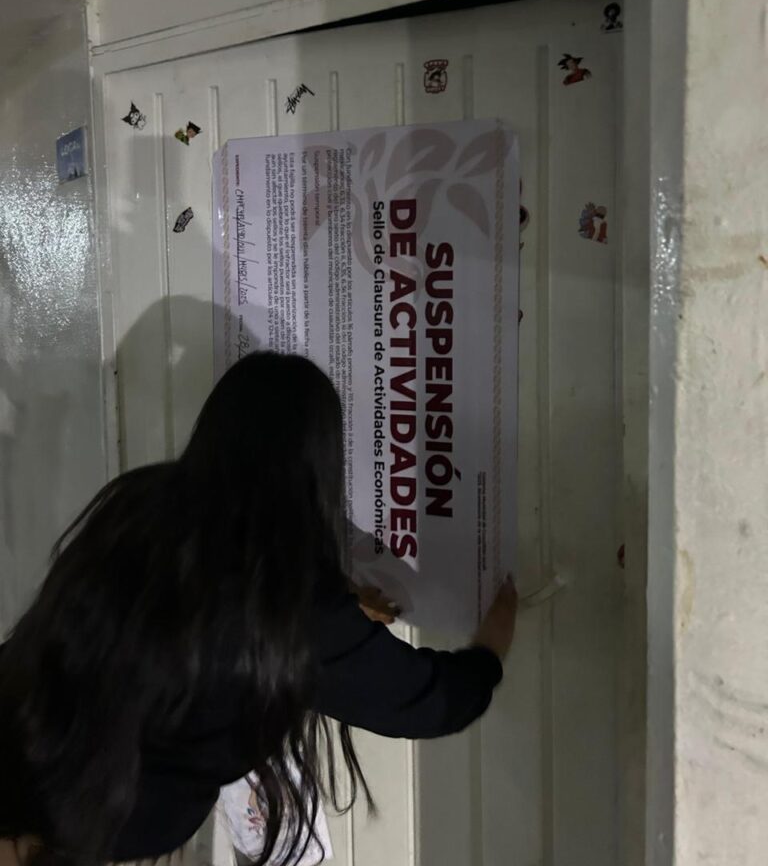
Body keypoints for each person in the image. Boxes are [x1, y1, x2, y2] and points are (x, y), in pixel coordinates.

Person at [0, 352, 518, 866]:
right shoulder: (295, 603)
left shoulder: (141, 500)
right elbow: (427, 701)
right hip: (98, 807)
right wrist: (490, 647)